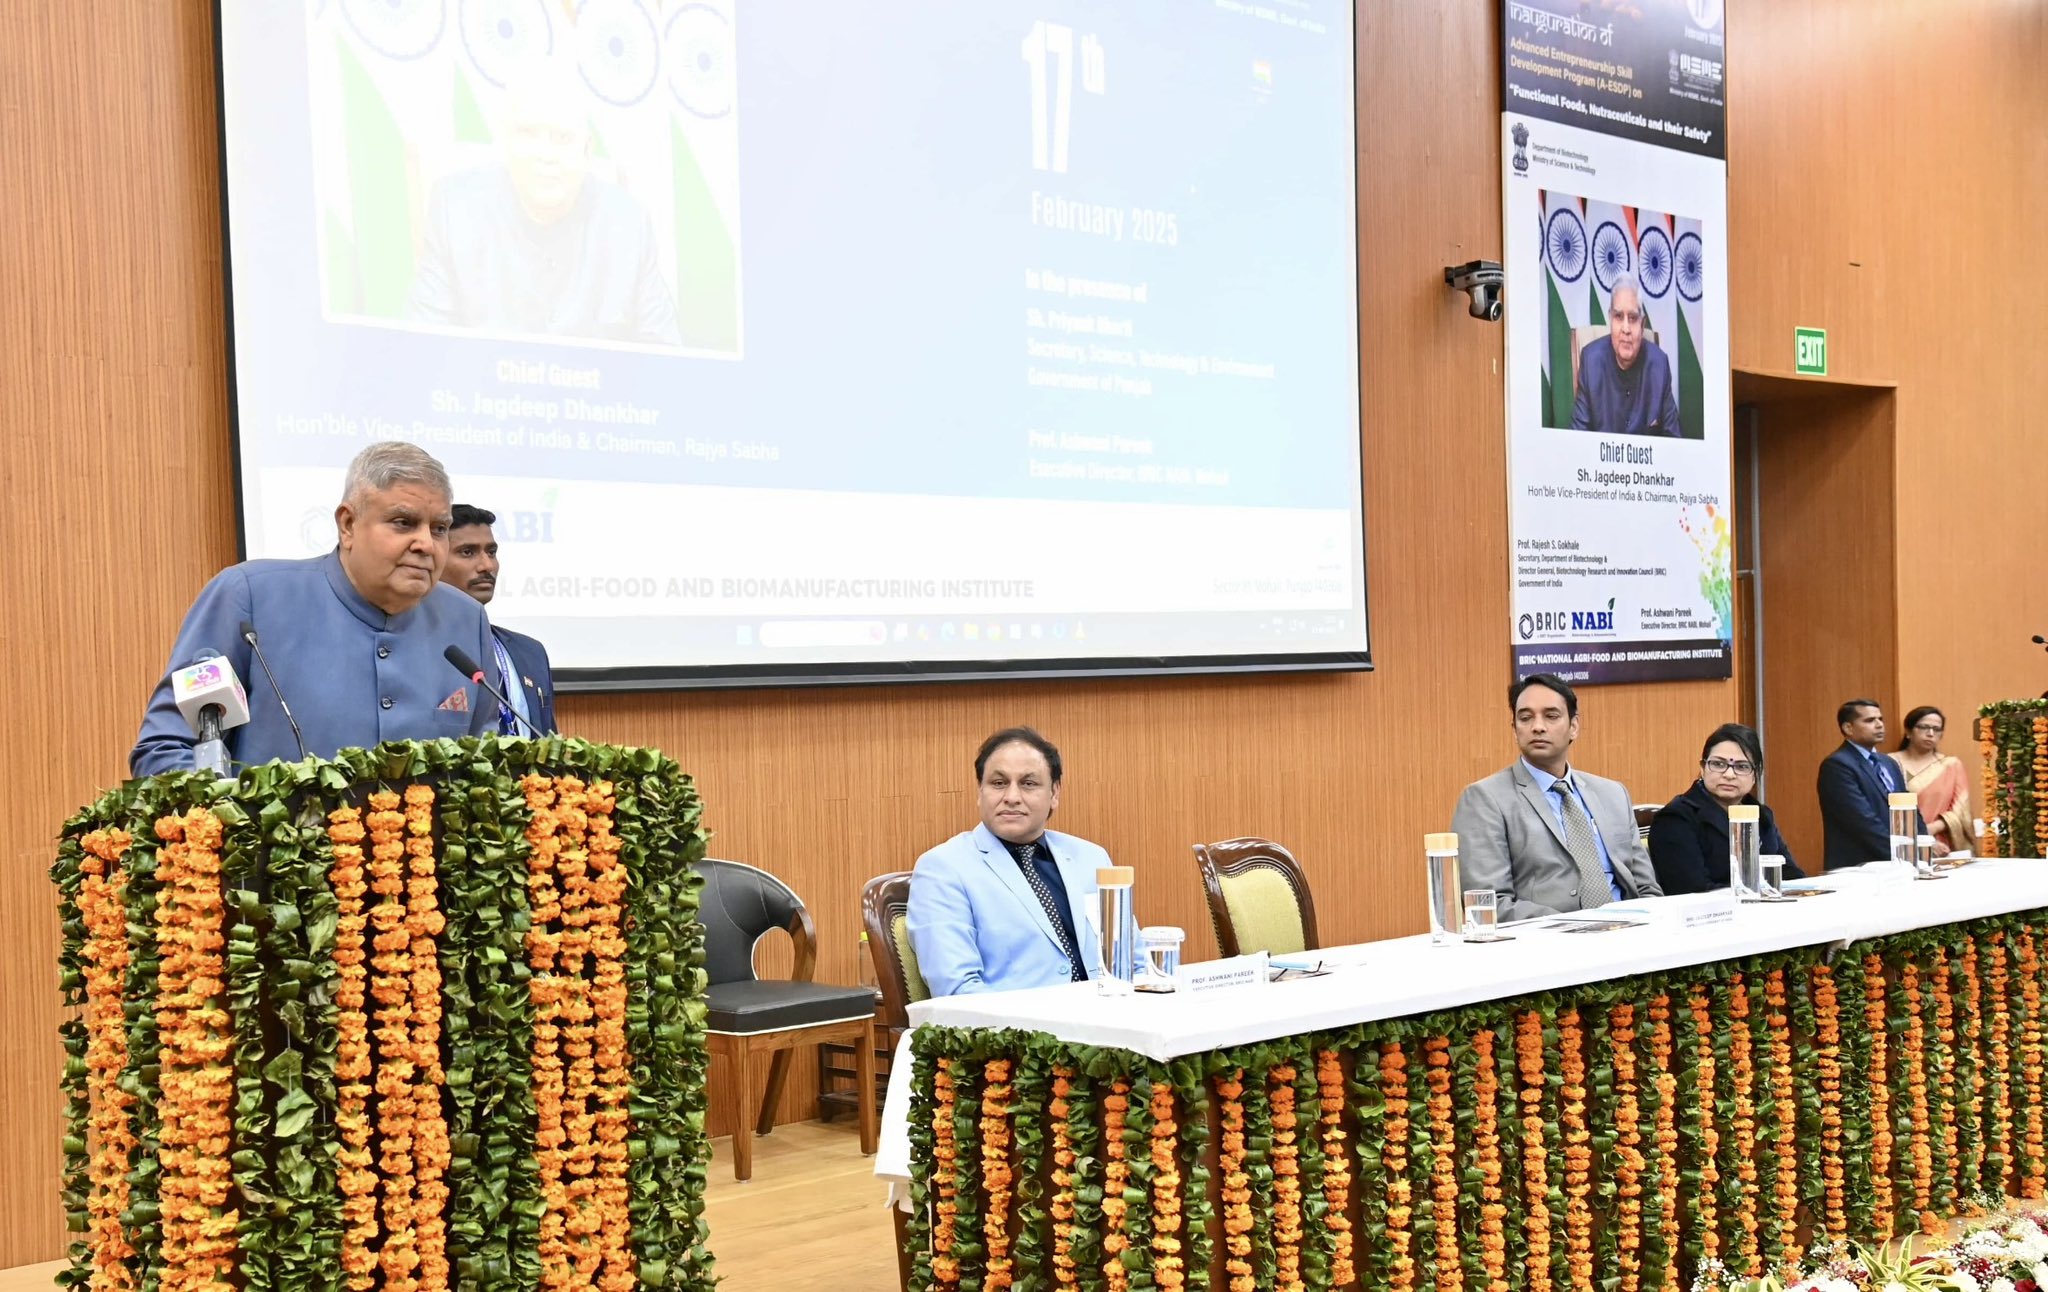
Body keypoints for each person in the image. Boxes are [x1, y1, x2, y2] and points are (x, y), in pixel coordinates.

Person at [132, 442, 497, 775]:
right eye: (403, 523)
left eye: (439, 529)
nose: (425, 544)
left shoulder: (466, 620)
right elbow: (166, 748)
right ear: (348, 525)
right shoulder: (249, 598)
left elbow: (484, 763)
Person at [406, 59, 681, 347]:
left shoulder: (629, 224)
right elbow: (425, 350)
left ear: (586, 151)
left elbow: (664, 359)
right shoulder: (455, 211)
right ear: (504, 142)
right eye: (528, 134)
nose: (545, 154)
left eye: (562, 138)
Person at [907, 727, 1109, 996]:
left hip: (1110, 1022)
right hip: (1018, 1032)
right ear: (980, 790)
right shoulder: (943, 869)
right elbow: (957, 991)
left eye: (1028, 783)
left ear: (1055, 793)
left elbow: (1132, 963)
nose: (1012, 797)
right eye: (999, 783)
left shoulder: (1091, 858)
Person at [1451, 673, 1663, 921]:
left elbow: (1647, 890)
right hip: (1548, 944)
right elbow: (1488, 904)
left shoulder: (1613, 794)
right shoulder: (1485, 799)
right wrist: (1578, 925)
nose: (1537, 726)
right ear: (1514, 730)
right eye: (1525, 717)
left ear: (1573, 727)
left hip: (1630, 935)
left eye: (1551, 716)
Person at [1648, 723, 1805, 894]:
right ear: (1703, 768)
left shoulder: (1760, 815)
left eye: (1741, 767)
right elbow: (1692, 890)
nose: (1729, 775)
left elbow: (1791, 875)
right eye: (1718, 764)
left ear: (1754, 776)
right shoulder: (1676, 818)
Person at [441, 503, 556, 734]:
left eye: (491, 552)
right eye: (468, 552)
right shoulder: (414, 652)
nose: (487, 566)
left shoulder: (530, 652)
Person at [1816, 698, 1922, 870]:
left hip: (1899, 863)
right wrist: (1904, 856)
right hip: (1859, 867)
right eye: (1870, 720)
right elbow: (1862, 821)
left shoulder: (1889, 762)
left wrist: (1923, 846)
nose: (1879, 725)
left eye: (1880, 719)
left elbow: (1910, 809)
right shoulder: (1837, 765)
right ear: (1848, 728)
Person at [1571, 274, 1682, 437]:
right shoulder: (1590, 362)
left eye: (1632, 318)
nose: (1626, 328)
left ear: (1642, 325)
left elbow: (1674, 443)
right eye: (1618, 317)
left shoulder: (1660, 365)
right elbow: (1577, 440)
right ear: (1610, 319)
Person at [1896, 705, 1972, 854]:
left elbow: (1961, 811)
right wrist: (1918, 835)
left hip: (1941, 843)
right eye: (1924, 727)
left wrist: (1932, 829)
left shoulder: (1951, 765)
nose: (1930, 733)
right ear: (1908, 731)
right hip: (1901, 841)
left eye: (1936, 729)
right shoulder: (1889, 762)